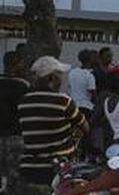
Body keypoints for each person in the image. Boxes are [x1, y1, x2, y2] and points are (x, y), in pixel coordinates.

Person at [18, 56, 86, 185]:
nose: (61, 80)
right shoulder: (63, 101)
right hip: (57, 170)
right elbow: (85, 127)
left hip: (29, 168)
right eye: (59, 75)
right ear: (51, 78)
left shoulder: (23, 101)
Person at [0, 51, 29, 181]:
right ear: (15, 65)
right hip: (16, 137)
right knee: (14, 177)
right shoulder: (23, 86)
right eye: (22, 64)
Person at [68, 49, 98, 121]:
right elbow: (93, 93)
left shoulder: (72, 72)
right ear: (91, 60)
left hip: (73, 106)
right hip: (86, 107)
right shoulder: (90, 75)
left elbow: (69, 90)